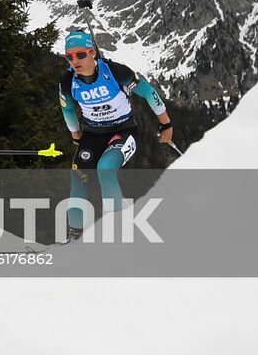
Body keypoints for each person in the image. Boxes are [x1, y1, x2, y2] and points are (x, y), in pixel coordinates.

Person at [57, 30, 174, 240]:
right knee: (79, 177)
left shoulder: (116, 72)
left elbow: (148, 92)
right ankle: (74, 238)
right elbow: (67, 110)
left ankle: (117, 232)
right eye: (69, 57)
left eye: (81, 55)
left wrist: (166, 124)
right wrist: (76, 136)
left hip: (123, 131)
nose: (75, 61)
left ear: (92, 52)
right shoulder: (68, 82)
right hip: (93, 134)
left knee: (105, 168)